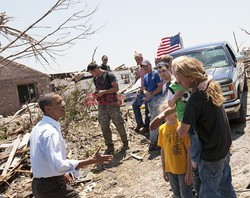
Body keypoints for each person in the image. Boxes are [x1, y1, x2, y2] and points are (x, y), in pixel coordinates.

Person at [174, 56, 236, 198]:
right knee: (226, 188)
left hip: (211, 156)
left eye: (179, 77)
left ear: (191, 77)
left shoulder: (195, 100)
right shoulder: (212, 87)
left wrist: (178, 125)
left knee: (209, 193)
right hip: (224, 149)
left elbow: (182, 132)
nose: (177, 81)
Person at [30, 93, 113, 198]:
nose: (63, 104)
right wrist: (92, 160)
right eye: (59, 103)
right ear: (48, 109)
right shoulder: (50, 132)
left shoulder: (38, 127)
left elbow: (43, 157)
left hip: (40, 185)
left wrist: (61, 173)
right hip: (51, 187)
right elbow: (59, 165)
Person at [87, 63, 128, 154]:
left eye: (91, 72)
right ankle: (109, 146)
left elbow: (116, 88)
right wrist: (96, 93)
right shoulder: (95, 78)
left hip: (112, 103)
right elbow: (98, 89)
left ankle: (125, 143)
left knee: (118, 123)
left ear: (95, 70)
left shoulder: (109, 75)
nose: (91, 75)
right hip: (102, 104)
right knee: (104, 126)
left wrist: (104, 92)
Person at [158, 102, 193, 198]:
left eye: (169, 111)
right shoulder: (161, 129)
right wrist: (164, 169)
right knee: (176, 194)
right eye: (165, 112)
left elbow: (189, 150)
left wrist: (189, 171)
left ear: (175, 111)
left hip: (183, 169)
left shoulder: (181, 126)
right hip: (170, 168)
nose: (167, 114)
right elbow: (163, 149)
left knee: (186, 194)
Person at [142, 59, 163, 151]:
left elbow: (160, 86)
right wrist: (146, 93)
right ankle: (158, 142)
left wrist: (152, 94)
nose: (145, 68)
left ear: (150, 65)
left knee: (156, 121)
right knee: (156, 120)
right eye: (143, 66)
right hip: (150, 101)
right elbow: (144, 88)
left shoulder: (156, 74)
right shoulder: (146, 76)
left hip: (158, 100)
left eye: (146, 66)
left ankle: (154, 142)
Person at [132, 52, 150, 133]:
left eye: (139, 59)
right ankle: (140, 123)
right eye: (137, 59)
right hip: (142, 89)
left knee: (147, 108)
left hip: (148, 89)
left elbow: (149, 78)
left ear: (142, 58)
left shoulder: (146, 66)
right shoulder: (140, 68)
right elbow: (141, 80)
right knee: (135, 105)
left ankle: (146, 126)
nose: (138, 61)